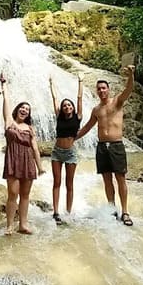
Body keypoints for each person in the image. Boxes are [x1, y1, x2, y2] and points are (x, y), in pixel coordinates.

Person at [76, 64, 135, 226]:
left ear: (108, 89)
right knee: (107, 180)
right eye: (99, 89)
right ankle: (112, 210)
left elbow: (128, 90)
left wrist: (131, 74)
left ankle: (125, 212)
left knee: (120, 178)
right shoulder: (96, 110)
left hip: (116, 145)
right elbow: (88, 126)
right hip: (101, 147)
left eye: (103, 88)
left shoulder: (117, 102)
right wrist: (73, 138)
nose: (101, 91)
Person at [0, 72, 45, 235]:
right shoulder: (9, 122)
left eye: (27, 109)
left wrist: (39, 167)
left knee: (25, 195)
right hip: (13, 160)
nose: (24, 110)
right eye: (22, 108)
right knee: (13, 194)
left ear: (28, 114)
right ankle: (10, 225)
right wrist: (4, 85)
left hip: (27, 162)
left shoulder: (30, 129)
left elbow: (35, 148)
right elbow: (6, 102)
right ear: (17, 110)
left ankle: (23, 225)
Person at [49, 73, 83, 225]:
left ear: (73, 107)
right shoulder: (59, 117)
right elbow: (55, 99)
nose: (67, 107)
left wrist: (81, 81)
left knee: (69, 183)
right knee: (57, 182)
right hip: (57, 152)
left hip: (71, 153)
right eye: (65, 106)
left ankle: (68, 212)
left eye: (69, 105)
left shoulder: (78, 116)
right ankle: (56, 212)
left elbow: (80, 98)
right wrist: (51, 84)